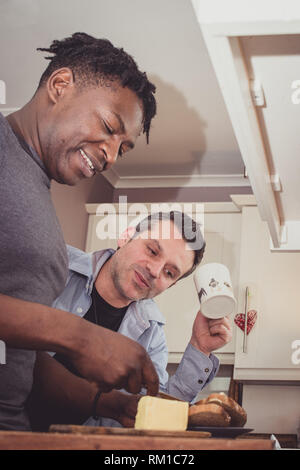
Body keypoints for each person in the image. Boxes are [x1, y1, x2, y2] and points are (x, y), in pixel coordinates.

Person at [0, 32, 159, 431]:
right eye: (108, 126)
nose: (109, 153)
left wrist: (104, 402)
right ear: (60, 86)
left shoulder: (38, 198)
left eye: (122, 148)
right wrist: (81, 338)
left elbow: (19, 356)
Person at [28, 211, 232, 430]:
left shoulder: (152, 336)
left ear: (170, 286)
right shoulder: (54, 264)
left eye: (170, 273)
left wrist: (199, 349)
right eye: (152, 250)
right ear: (126, 236)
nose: (154, 271)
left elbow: (151, 413)